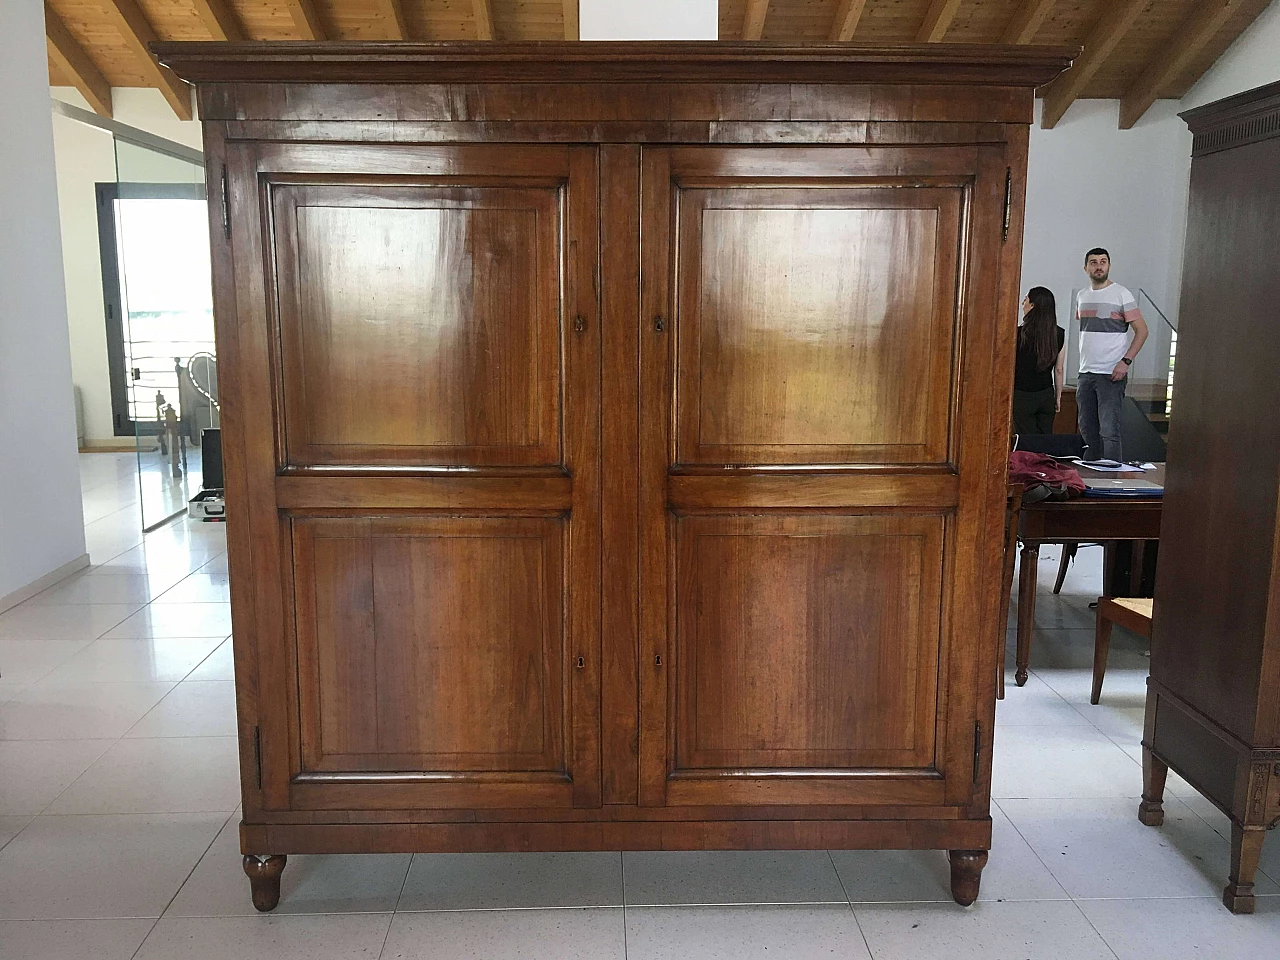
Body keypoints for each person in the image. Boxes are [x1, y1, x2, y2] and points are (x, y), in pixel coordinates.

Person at [1075, 248, 1148, 461]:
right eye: (1094, 262)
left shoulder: (1121, 294)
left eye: (1103, 262)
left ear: (1109, 265)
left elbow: (1142, 331)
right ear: (1086, 267)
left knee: (1109, 431)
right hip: (1085, 372)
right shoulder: (1082, 296)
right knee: (1087, 430)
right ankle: (1090, 478)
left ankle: (1112, 481)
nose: (1099, 266)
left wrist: (1125, 362)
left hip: (1111, 373)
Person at [1013, 286, 1066, 435]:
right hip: (1046, 394)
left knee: (1026, 441)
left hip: (1022, 395)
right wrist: (1058, 397)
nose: (1022, 304)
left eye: (1025, 300)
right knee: (1045, 440)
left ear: (1032, 306)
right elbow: (1059, 369)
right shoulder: (1059, 334)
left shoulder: (1017, 334)